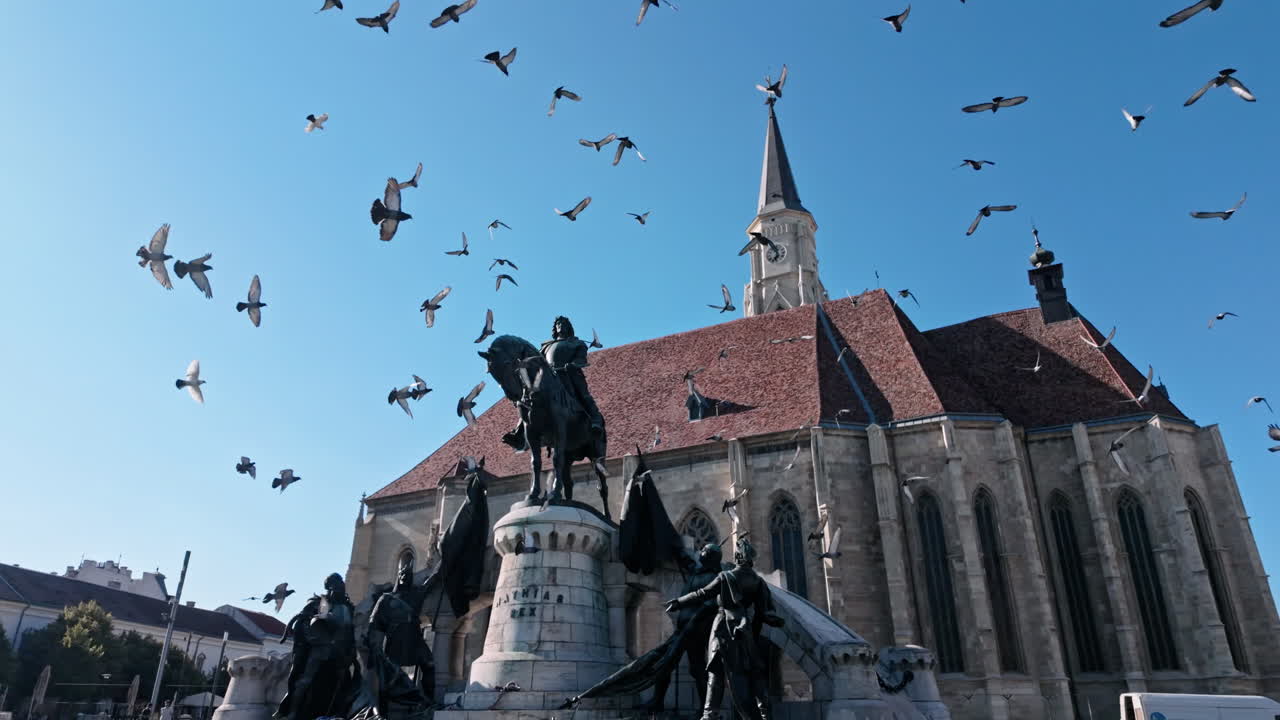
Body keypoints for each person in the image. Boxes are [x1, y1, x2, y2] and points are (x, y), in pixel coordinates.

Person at [665, 537, 784, 720]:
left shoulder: (726, 577)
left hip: (722, 626)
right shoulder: (758, 582)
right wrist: (774, 620)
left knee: (716, 671)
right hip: (744, 630)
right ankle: (764, 712)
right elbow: (766, 612)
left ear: (736, 557)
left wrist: (679, 602)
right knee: (752, 671)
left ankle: (709, 715)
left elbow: (702, 593)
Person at [365, 554, 434, 712]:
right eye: (402, 574)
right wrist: (373, 645)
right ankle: (382, 709)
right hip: (396, 639)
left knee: (429, 665)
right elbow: (374, 623)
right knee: (389, 674)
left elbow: (431, 582)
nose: (404, 577)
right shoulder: (386, 599)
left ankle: (428, 701)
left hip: (414, 639)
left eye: (408, 575)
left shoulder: (416, 594)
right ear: (398, 577)